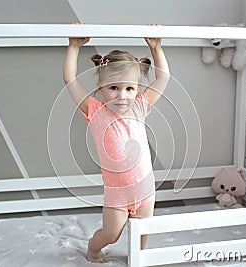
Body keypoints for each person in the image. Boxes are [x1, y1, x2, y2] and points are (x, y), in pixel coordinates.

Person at [63, 24, 170, 263]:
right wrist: (73, 46)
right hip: (118, 195)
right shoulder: (96, 111)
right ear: (101, 89)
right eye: (114, 88)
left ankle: (137, 259)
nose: (122, 95)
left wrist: (156, 47)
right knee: (111, 234)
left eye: (129, 88)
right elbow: (70, 79)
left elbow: (163, 78)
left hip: (145, 190)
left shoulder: (140, 106)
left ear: (137, 90)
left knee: (142, 237)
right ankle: (93, 247)